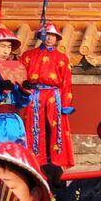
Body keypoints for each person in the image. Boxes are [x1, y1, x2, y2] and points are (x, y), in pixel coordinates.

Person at [20, 23, 76, 167]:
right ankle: (35, 161)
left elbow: (66, 83)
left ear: (57, 38)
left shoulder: (62, 58)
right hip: (34, 95)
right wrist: (23, 90)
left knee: (54, 128)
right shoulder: (28, 56)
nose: (50, 38)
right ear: (41, 36)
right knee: (34, 127)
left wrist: (65, 105)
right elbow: (20, 77)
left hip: (54, 96)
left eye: (53, 35)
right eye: (47, 35)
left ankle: (55, 163)